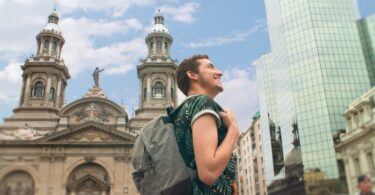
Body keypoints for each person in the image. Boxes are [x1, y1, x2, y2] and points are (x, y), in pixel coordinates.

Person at [172, 54, 239, 194]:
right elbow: (208, 173)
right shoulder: (203, 102)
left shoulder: (181, 112)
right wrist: (233, 130)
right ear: (192, 75)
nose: (219, 72)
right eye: (210, 67)